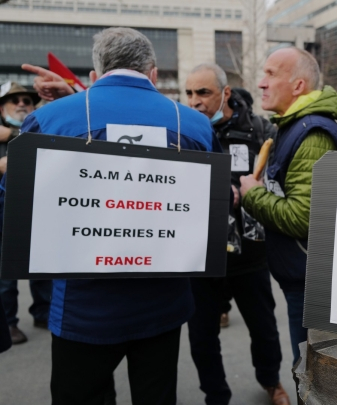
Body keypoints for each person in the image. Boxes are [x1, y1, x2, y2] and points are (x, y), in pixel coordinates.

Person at [9, 27, 216, 405]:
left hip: (84, 308)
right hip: (164, 306)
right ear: (153, 74)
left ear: (94, 74)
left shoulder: (49, 120)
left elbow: (19, 206)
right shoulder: (197, 126)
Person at [185, 63, 289, 405]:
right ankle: (216, 395)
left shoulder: (258, 128)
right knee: (202, 336)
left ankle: (271, 381)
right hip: (200, 256)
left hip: (250, 252)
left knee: (264, 329)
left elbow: (276, 178)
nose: (194, 101)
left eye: (203, 93)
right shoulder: (182, 130)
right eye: (188, 93)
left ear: (225, 93)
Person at [239, 47, 337, 364]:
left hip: (309, 286)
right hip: (300, 280)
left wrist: (252, 194)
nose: (261, 83)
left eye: (271, 74)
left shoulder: (312, 134)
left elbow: (303, 218)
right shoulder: (291, 126)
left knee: (310, 375)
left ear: (299, 86)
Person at [0, 82, 51, 344]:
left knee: (42, 267)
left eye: (27, 101)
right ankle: (8, 323)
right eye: (14, 100)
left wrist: (10, 135)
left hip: (37, 210)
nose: (22, 104)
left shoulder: (34, 129)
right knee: (6, 274)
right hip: (4, 213)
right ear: (1, 108)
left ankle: (43, 312)